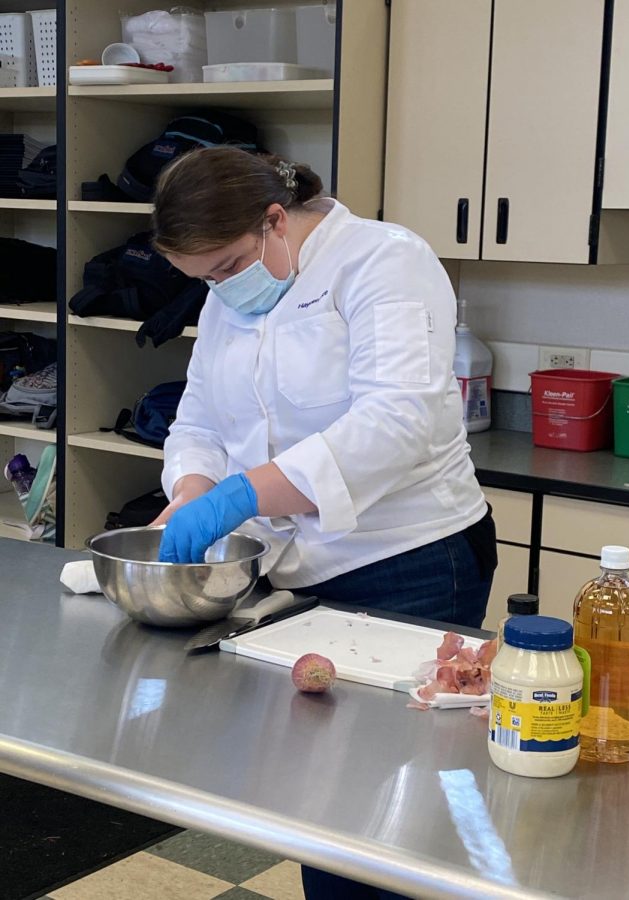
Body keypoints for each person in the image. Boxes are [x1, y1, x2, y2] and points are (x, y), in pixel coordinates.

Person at [151, 146, 497, 900]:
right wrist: (194, 487)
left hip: (409, 557)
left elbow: (396, 422)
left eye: (225, 268)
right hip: (295, 567)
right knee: (320, 798)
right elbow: (201, 416)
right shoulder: (233, 290)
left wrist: (242, 495)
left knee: (386, 808)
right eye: (202, 278)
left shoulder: (384, 262)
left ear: (275, 220)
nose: (218, 289)